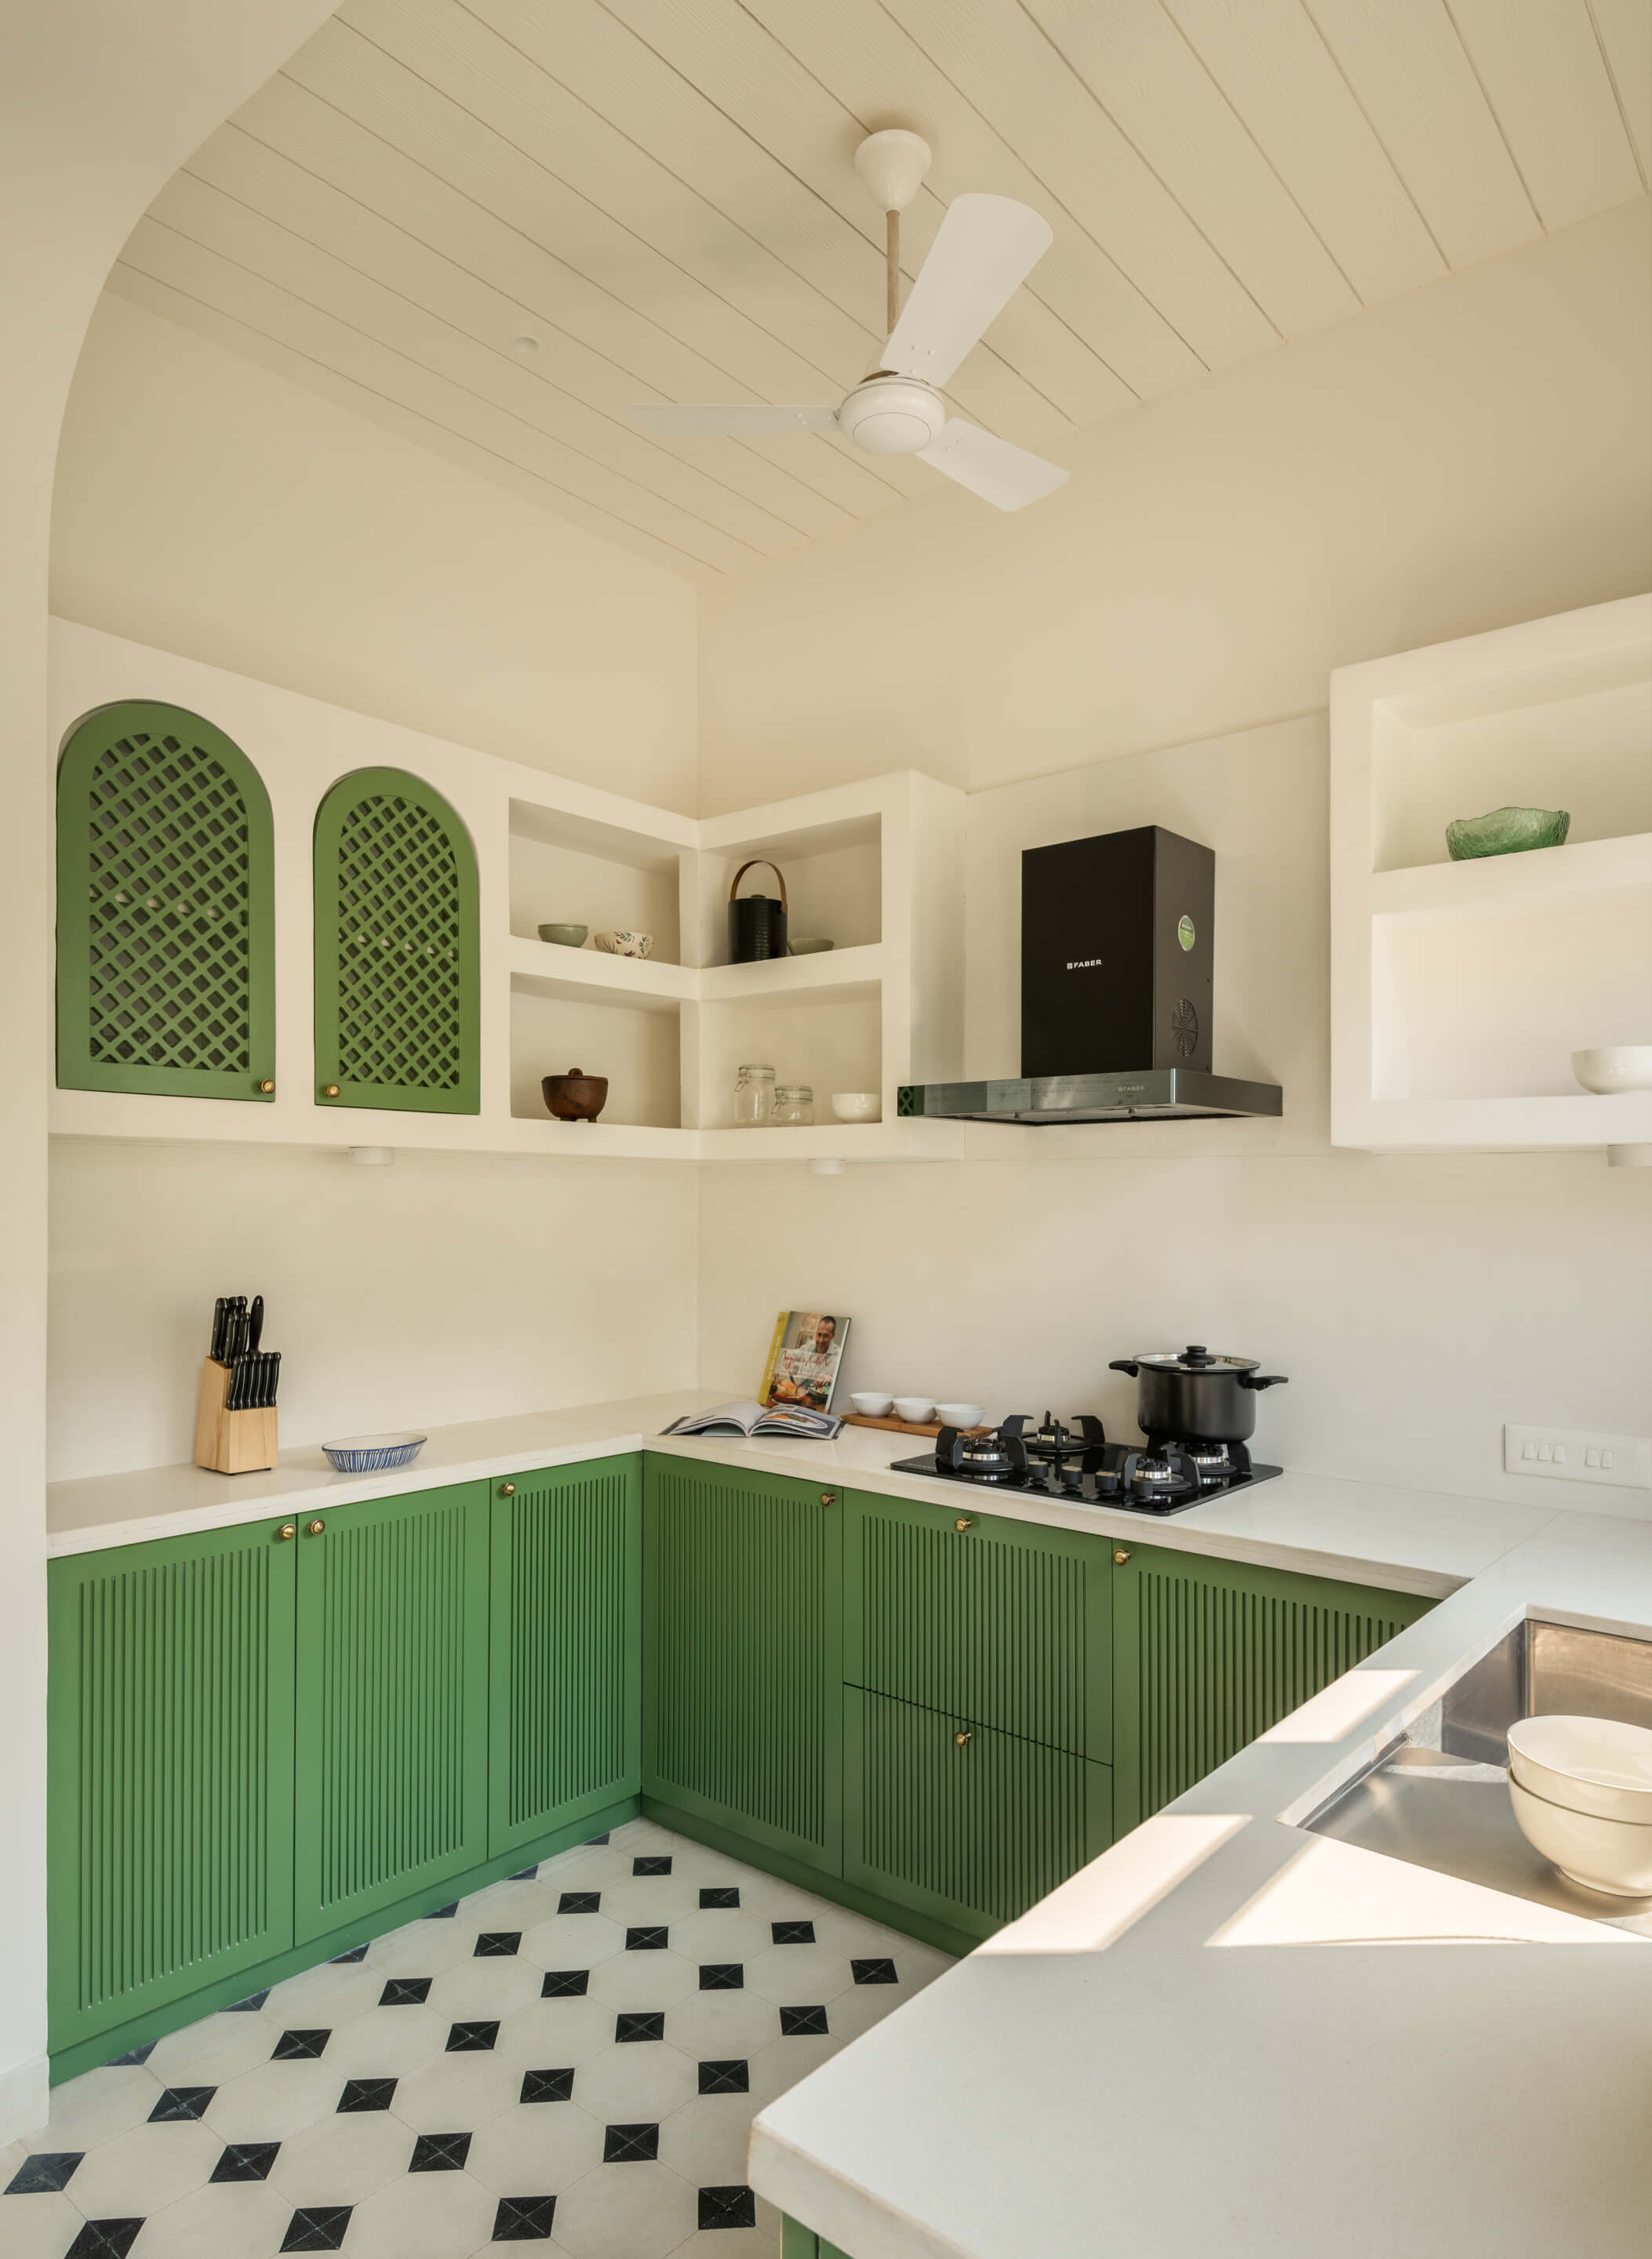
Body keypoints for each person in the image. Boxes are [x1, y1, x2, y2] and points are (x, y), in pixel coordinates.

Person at [768, 1314, 839, 1408]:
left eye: (826, 1336)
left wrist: (831, 1378)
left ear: (833, 1335)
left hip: (818, 1403)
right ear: (816, 1332)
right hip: (799, 1396)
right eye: (819, 1335)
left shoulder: (839, 1353)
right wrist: (788, 1356)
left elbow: (841, 1382)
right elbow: (789, 1353)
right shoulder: (808, 1347)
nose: (821, 1340)